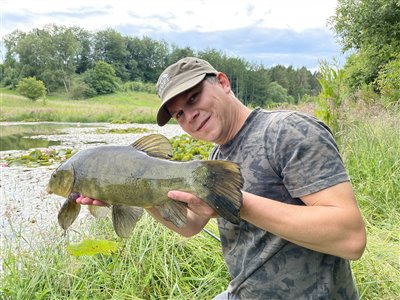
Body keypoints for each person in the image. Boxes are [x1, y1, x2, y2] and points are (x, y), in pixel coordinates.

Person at [77, 57, 366, 299]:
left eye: (194, 98)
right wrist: (139, 192)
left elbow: (350, 238)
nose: (190, 115)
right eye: (179, 113)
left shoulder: (286, 131)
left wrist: (234, 202)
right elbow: (190, 226)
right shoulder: (217, 157)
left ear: (224, 83)